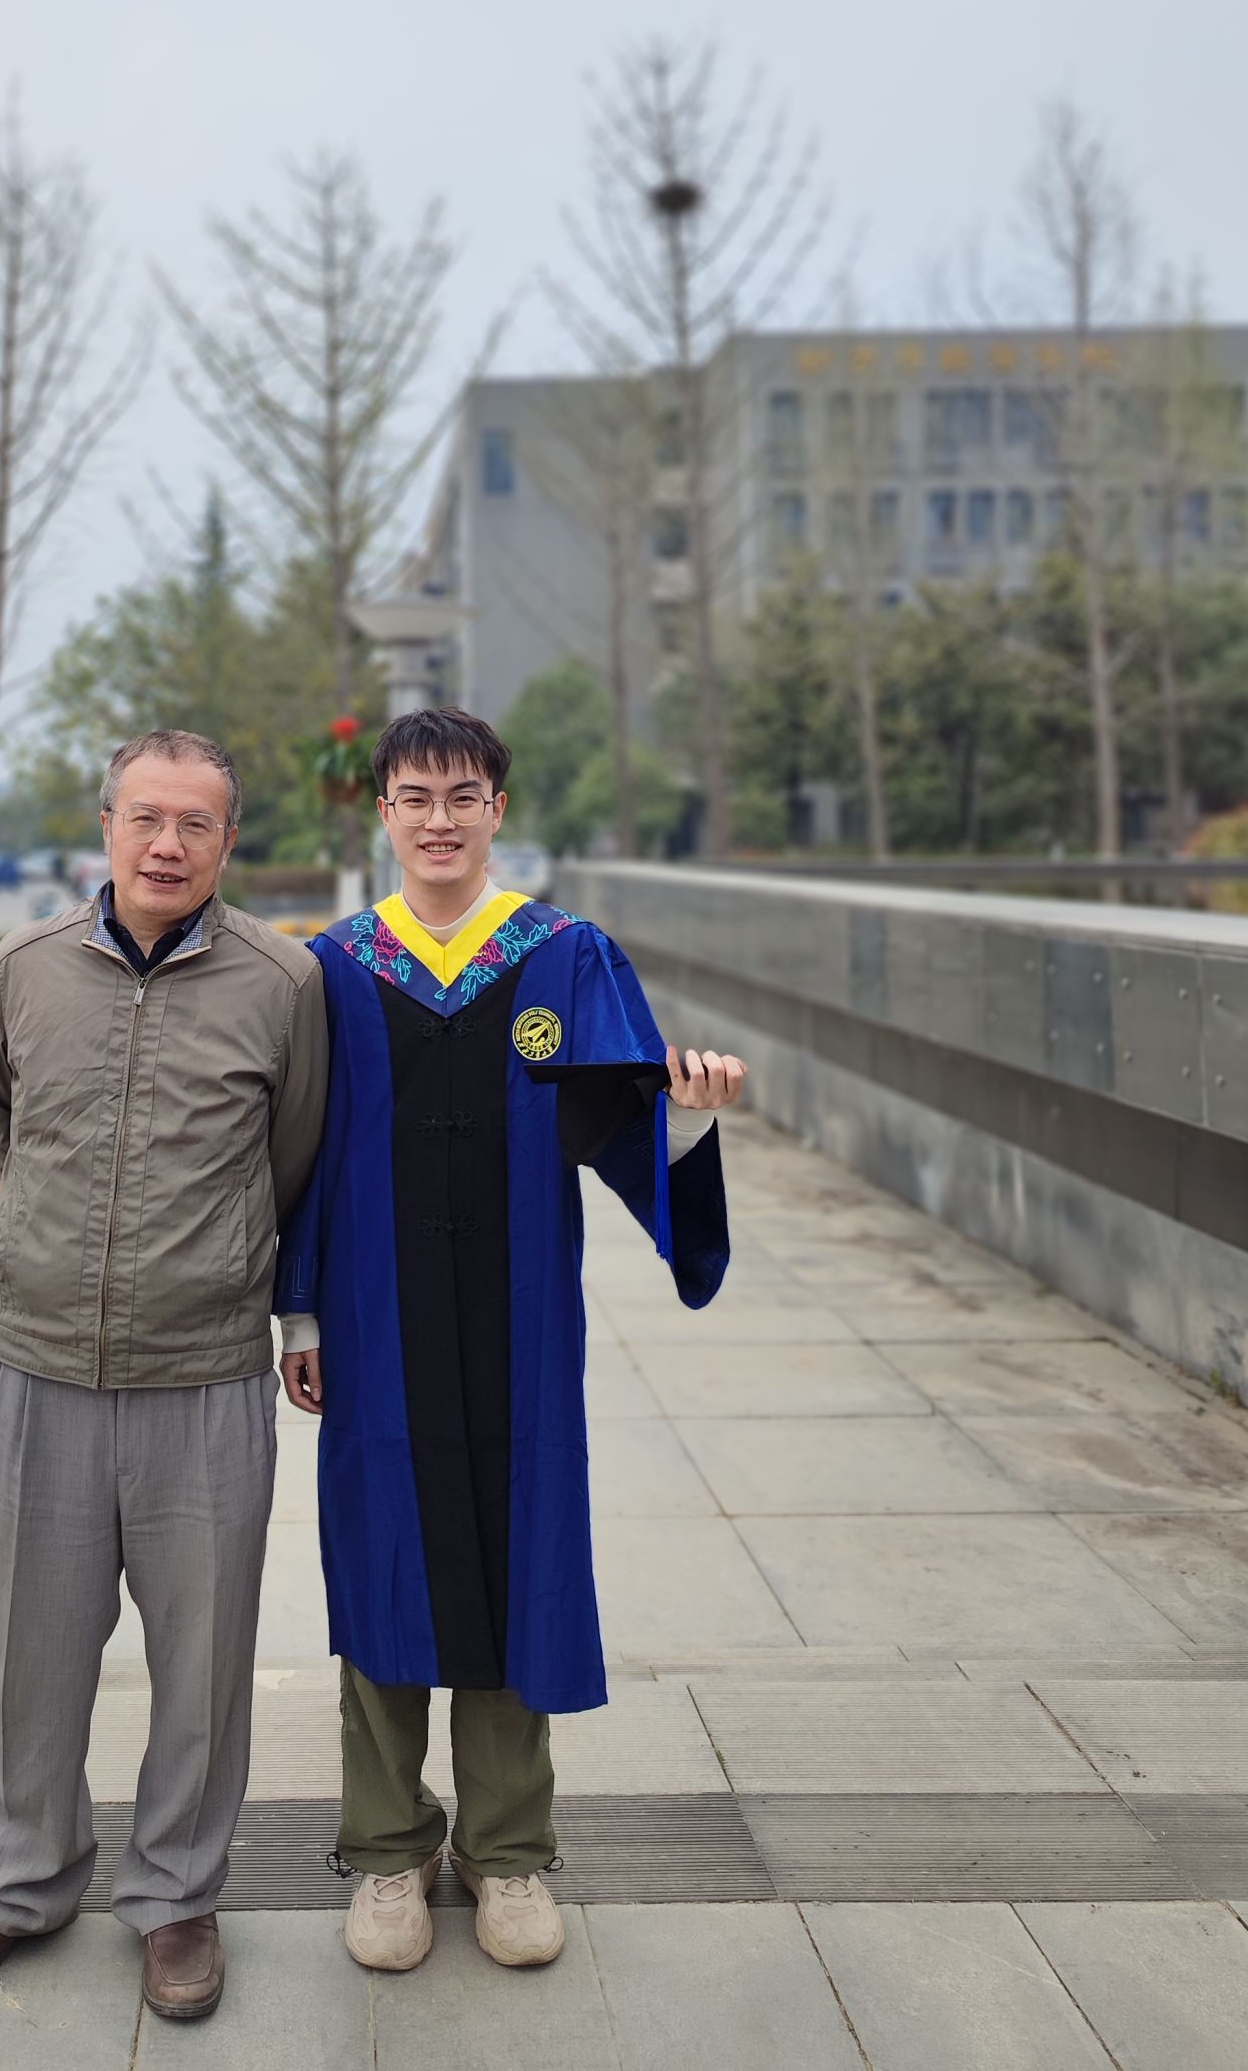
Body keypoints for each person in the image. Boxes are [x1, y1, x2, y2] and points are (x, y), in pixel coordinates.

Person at [274, 706, 744, 1974]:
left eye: (462, 796)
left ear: (496, 809)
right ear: (382, 811)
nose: (438, 820)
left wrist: (687, 1119)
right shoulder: (333, 968)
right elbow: (299, 1150)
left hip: (520, 1325)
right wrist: (300, 1310)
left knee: (513, 1554)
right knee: (382, 1558)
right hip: (374, 1323)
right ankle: (385, 1849)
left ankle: (507, 1850)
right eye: (414, 797)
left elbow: (619, 1121)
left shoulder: (563, 955)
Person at [0, 729, 328, 2023]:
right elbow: (2, 1123)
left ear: (228, 841)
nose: (167, 845)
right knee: (35, 1649)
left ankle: (177, 1894)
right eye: (146, 816)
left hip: (203, 1376)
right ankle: (17, 1881)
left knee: (204, 1659)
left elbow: (293, 1155)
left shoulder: (283, 981)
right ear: (106, 825)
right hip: (41, 1370)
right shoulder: (25, 967)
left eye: (196, 823)